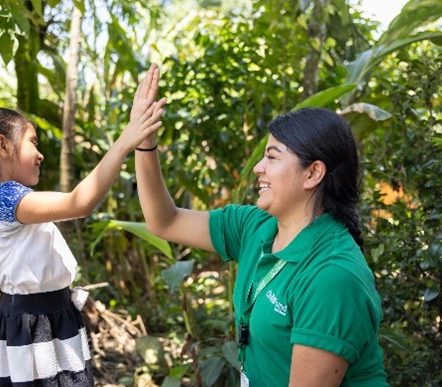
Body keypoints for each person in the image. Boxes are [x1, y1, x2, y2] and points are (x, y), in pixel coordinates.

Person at [135, 102, 389, 386]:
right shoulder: (255, 226)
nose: (258, 167)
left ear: (313, 173)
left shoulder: (332, 277)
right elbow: (164, 222)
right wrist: (145, 144)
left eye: (272, 157)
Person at [0, 64, 165, 386]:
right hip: (34, 328)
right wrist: (124, 142)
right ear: (2, 145)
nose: (40, 154)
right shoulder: (4, 198)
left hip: (23, 321)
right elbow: (80, 203)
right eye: (32, 142)